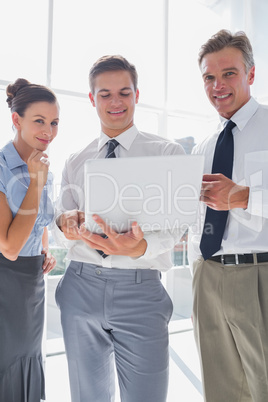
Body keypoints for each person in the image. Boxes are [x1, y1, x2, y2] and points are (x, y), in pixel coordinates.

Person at [53, 55, 184, 402]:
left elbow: (174, 228)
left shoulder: (166, 152)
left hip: (140, 290)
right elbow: (61, 221)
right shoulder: (76, 159)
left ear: (137, 95)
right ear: (92, 99)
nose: (115, 102)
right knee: (88, 397)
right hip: (81, 284)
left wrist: (137, 248)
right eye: (105, 94)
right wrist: (65, 223)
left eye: (124, 92)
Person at [188, 29, 268, 402]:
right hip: (208, 277)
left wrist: (244, 196)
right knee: (220, 393)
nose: (217, 85)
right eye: (209, 77)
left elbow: (236, 200)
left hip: (260, 275)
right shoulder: (203, 145)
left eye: (229, 74)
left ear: (250, 74)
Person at [0, 78, 59, 402]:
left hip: (32, 281)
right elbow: (8, 246)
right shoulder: (2, 167)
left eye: (54, 123)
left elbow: (40, 220)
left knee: (30, 356)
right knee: (9, 360)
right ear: (16, 120)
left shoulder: (41, 166)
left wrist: (44, 249)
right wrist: (36, 184)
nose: (48, 131)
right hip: (6, 281)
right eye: (39, 121)